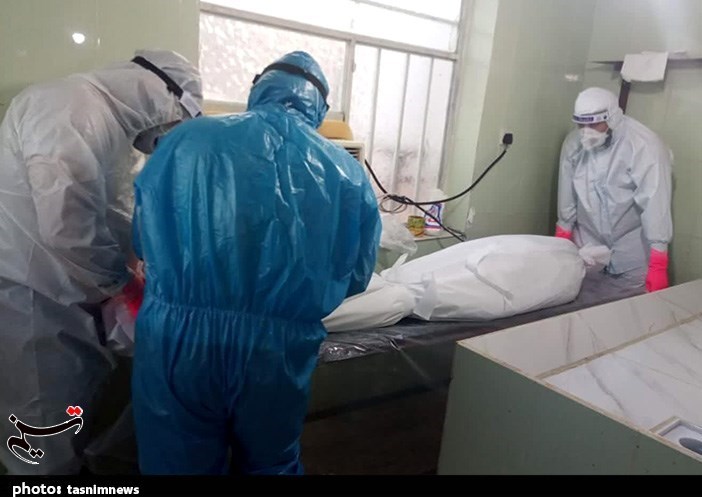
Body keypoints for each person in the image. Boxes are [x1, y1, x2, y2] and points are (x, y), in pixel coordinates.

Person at [130, 51, 381, 475]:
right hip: (275, 352)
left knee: (176, 462)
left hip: (178, 340)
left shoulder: (185, 140)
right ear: (319, 106)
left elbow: (143, 239)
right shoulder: (346, 172)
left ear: (259, 87)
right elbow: (356, 276)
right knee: (271, 464)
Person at [0, 49, 202, 475]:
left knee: (68, 413)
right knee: (40, 425)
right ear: (165, 94)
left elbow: (111, 209)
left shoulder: (105, 121)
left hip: (65, 292)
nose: (167, 135)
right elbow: (68, 224)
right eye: (178, 120)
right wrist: (121, 283)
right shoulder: (68, 107)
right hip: (33, 296)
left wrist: (138, 261)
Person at [555, 87, 673, 292]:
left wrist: (658, 263)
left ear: (612, 119)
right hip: (588, 245)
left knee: (632, 308)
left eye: (594, 124)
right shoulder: (574, 144)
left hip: (632, 251)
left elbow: (655, 203)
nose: (586, 131)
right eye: (581, 124)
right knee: (583, 304)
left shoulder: (644, 146)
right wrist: (562, 238)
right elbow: (567, 194)